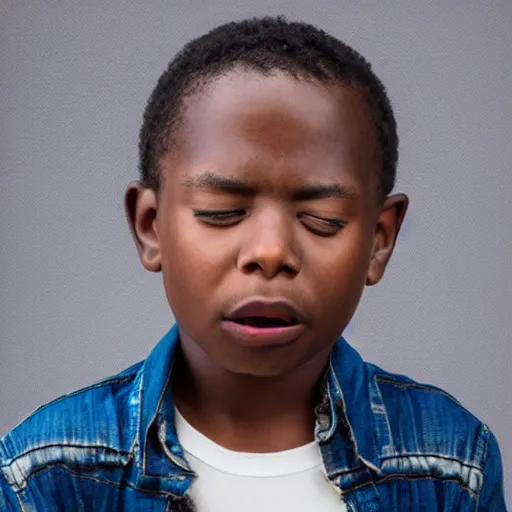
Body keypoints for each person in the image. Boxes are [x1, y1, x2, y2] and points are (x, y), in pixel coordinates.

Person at [0, 16, 506, 511]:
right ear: (151, 227)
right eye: (222, 212)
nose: (270, 253)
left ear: (379, 240)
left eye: (321, 218)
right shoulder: (43, 475)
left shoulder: (452, 464)